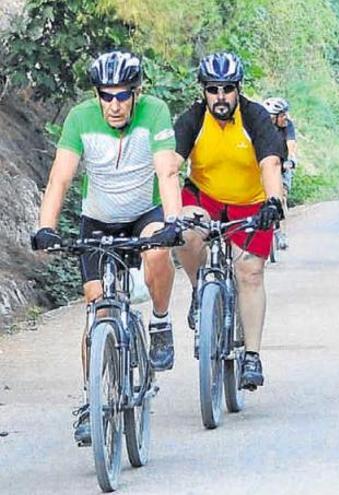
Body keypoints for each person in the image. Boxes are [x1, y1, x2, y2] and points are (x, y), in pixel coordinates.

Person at [30, 51, 183, 445]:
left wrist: (173, 222)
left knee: (156, 252)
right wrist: (46, 227)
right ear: (97, 95)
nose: (113, 105)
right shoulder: (81, 118)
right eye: (106, 95)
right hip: (97, 218)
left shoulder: (156, 112)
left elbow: (167, 171)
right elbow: (59, 179)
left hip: (143, 212)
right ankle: (92, 400)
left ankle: (161, 322)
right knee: (97, 310)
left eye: (122, 96)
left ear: (137, 92)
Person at [173, 52, 285, 390]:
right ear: (203, 91)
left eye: (227, 89)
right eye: (213, 89)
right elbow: (172, 162)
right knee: (188, 233)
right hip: (204, 197)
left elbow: (271, 163)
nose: (220, 97)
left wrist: (274, 201)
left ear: (238, 89)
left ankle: (251, 355)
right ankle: (198, 290)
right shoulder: (193, 119)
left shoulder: (256, 117)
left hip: (249, 202)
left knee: (249, 272)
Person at [263, 96, 297, 250]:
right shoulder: (260, 128)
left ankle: (281, 234)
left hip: (282, 166)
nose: (286, 117)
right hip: (263, 166)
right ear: (273, 117)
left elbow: (291, 144)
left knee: (281, 197)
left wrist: (291, 159)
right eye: (282, 115)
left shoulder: (287, 126)